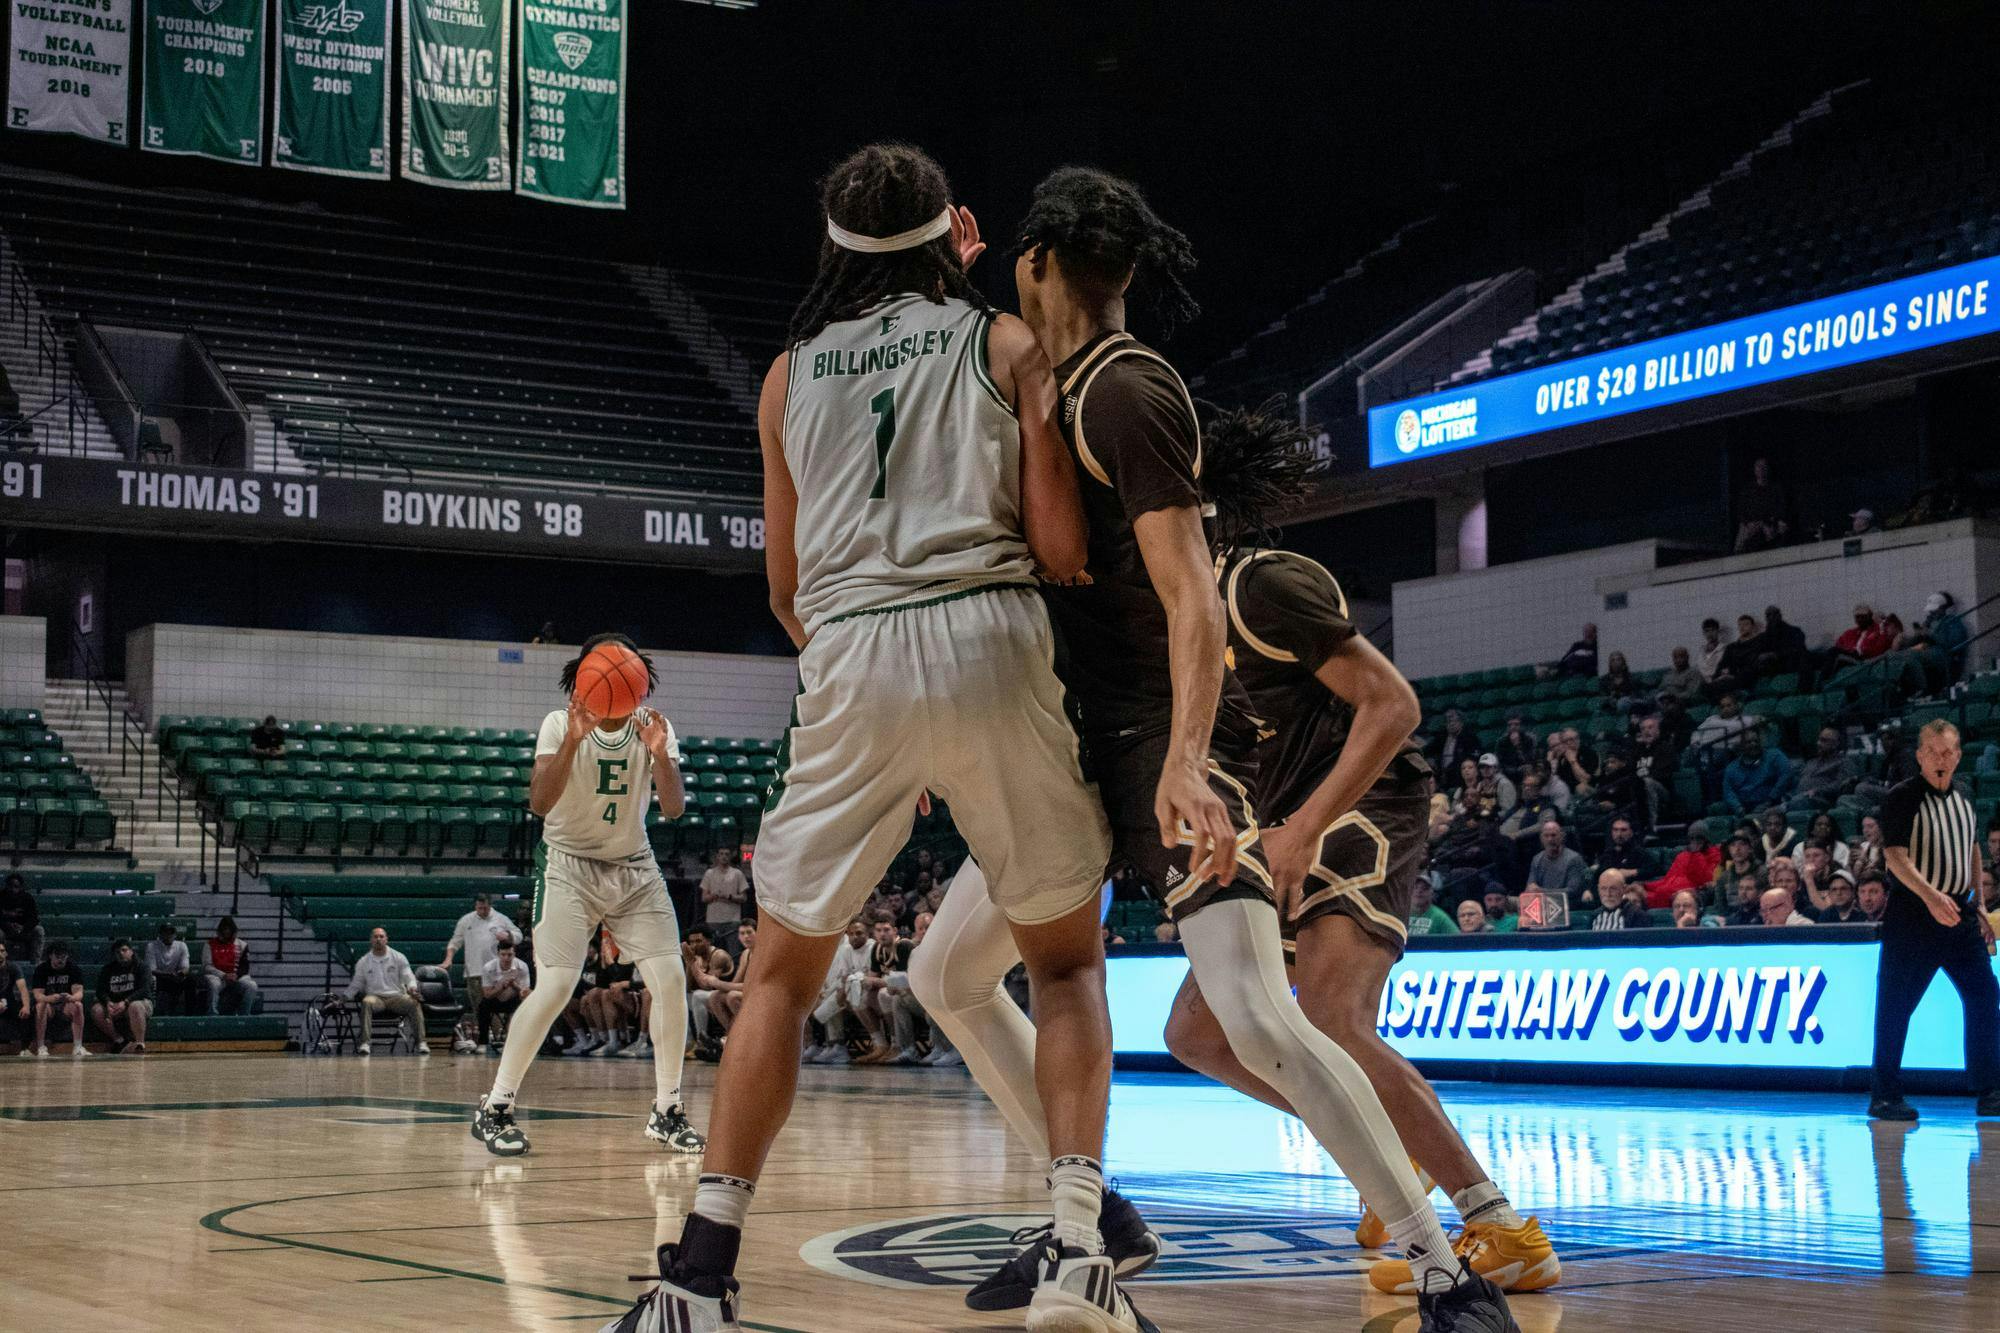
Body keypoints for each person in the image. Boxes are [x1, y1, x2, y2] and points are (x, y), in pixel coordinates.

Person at [906, 165, 1514, 1328]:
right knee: (945, 974)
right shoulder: (1063, 380)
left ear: (1040, 265)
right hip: (1067, 740)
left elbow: (1192, 599)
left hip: (1153, 742)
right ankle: (1096, 1216)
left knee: (1255, 1014)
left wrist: (1188, 759)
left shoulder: (1124, 389)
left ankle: (1445, 1268)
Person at [614, 147, 1150, 1333]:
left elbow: (786, 586)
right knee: (1061, 965)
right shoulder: (1003, 342)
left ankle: (698, 1273)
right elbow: (1060, 547)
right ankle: (1075, 1246)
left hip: (851, 651)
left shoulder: (786, 374)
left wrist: (880, 724)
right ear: (947, 232)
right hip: (992, 633)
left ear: (833, 246)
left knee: (777, 980)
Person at [472, 633, 703, 1161]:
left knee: (669, 978)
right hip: (568, 865)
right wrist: (575, 740)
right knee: (555, 984)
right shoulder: (559, 724)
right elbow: (538, 801)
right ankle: (497, 1107)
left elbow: (672, 808)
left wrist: (662, 755)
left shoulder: (654, 728)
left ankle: (667, 1110)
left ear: (639, 681)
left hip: (633, 865)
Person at [1867, 720, 2000, 1122]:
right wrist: (1930, 895)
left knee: (1984, 995)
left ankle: (1990, 1089)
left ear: (1958, 755)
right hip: (1913, 915)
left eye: (1948, 753)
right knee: (1896, 1006)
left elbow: (1972, 848)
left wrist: (1977, 902)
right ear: (1920, 756)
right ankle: (1885, 1095)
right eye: (1933, 753)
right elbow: (1895, 856)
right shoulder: (1902, 797)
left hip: (1959, 912)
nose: (1941, 760)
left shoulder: (1965, 793)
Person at [441, 892, 517, 1036]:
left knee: (494, 1006)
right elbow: (455, 941)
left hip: (495, 972)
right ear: (475, 906)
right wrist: (448, 958)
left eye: (485, 908)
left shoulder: (501, 919)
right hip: (474, 971)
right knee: (478, 1007)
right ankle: (483, 1037)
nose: (482, 911)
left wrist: (508, 936)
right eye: (479, 908)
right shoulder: (466, 920)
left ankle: (497, 1036)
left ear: (490, 905)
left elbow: (517, 935)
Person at [343, 927, 428, 1055]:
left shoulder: (399, 957)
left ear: (386, 939)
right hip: (376, 998)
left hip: (396, 997)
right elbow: (356, 983)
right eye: (375, 937)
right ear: (371, 940)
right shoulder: (363, 961)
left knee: (414, 1003)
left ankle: (421, 1042)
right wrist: (343, 998)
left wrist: (412, 989)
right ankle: (365, 1043)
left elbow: (409, 977)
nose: (378, 939)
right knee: (366, 1002)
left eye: (381, 936)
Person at [91, 938, 153, 1054]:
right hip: (115, 1004)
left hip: (138, 1002)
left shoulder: (142, 967)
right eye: (117, 952)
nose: (121, 954)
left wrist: (126, 1001)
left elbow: (145, 989)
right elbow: (100, 991)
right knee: (96, 1010)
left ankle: (140, 1044)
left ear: (131, 951)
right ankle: (119, 1040)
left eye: (124, 950)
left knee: (135, 1006)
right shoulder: (108, 969)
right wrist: (107, 1002)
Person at [30, 939, 87, 1057]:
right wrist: (49, 998)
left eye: (64, 956)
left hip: (65, 1004)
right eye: (58, 956)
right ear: (51, 955)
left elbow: (79, 994)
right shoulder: (42, 969)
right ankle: (41, 1046)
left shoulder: (73, 968)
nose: (61, 959)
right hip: (49, 1004)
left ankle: (78, 1046)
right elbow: (37, 995)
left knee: (78, 1005)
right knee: (40, 1006)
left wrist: (71, 997)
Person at [477, 939, 531, 1054]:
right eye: (503, 955)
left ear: (514, 954)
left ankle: (513, 1043)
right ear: (498, 954)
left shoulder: (522, 967)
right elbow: (487, 994)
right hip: (495, 998)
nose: (506, 958)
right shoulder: (488, 968)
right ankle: (483, 1042)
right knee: (483, 1006)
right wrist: (501, 986)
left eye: (510, 955)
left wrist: (514, 985)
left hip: (513, 999)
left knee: (523, 1006)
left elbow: (526, 993)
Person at [1646, 824, 1720, 907]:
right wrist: (1645, 886)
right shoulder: (1682, 855)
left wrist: (1696, 854)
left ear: (1706, 840)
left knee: (1662, 892)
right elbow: (1667, 879)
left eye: (1699, 838)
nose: (1695, 841)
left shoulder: (1715, 856)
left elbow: (1705, 879)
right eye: (1692, 838)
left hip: (1692, 892)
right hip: (1667, 890)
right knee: (1636, 894)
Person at [1722, 730, 1795, 814]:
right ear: (1742, 746)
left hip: (1772, 802)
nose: (1753, 744)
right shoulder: (1732, 768)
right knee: (1716, 808)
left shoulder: (1775, 756)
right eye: (1748, 742)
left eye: (1756, 741)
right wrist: (1738, 807)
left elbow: (1786, 774)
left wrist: (1769, 801)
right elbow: (1728, 792)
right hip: (1742, 806)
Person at [203, 916, 260, 1015]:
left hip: (236, 977)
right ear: (220, 930)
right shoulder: (209, 944)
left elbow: (245, 966)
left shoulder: (242, 945)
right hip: (218, 977)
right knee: (213, 983)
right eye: (225, 929)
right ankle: (212, 1014)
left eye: (229, 929)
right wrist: (223, 975)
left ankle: (244, 1014)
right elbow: (207, 966)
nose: (227, 932)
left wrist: (236, 975)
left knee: (252, 986)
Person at [700, 848, 750, 959]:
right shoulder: (709, 873)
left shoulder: (737, 873)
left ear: (730, 856)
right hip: (713, 920)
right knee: (712, 954)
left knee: (734, 953)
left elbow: (744, 897)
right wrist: (714, 896)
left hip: (732, 920)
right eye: (721, 854)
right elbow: (704, 898)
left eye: (727, 854)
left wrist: (730, 897)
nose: (724, 857)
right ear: (717, 856)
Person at [1525, 820, 1590, 901]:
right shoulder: (1537, 859)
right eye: (1546, 836)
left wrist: (1542, 892)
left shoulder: (1574, 859)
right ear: (1541, 838)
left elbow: (1573, 891)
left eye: (1553, 835)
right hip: (1542, 905)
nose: (1550, 839)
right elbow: (1531, 886)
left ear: (1561, 836)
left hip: (1568, 907)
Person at [1795, 729, 1857, 808]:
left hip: (1821, 800)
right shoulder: (1811, 762)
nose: (1818, 743)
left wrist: (1817, 791)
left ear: (1836, 744)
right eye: (1819, 740)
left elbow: (1841, 785)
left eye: (1824, 740)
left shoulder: (1844, 762)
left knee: (1796, 804)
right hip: (1798, 797)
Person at [145, 921, 191, 1016]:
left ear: (175, 935)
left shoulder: (182, 945)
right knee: (151, 980)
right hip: (159, 977)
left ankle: (190, 1013)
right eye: (166, 933)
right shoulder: (151, 946)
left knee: (190, 981)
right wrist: (170, 974)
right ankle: (154, 1011)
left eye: (171, 933)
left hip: (176, 977)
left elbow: (185, 967)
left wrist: (181, 973)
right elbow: (151, 969)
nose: (169, 935)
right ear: (160, 934)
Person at [0, 871, 42, 963]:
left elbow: (34, 918)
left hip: (23, 930)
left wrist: (23, 927)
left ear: (20, 887)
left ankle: (36, 962)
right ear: (6, 886)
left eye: (16, 886)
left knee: (39, 930)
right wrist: (8, 925)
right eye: (10, 886)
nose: (12, 889)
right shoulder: (1, 897)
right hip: (5, 929)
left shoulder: (27, 898)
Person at [0, 939, 27, 1052]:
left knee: (25, 1011)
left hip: (8, 1001)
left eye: (2, 951)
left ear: (6, 953)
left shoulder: (13, 967)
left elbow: (23, 989)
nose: (0, 954)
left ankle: (25, 1048)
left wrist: (26, 1006)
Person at [1695, 618, 1727, 682]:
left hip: (1717, 682)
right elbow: (1698, 669)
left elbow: (1723, 671)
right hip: (1701, 684)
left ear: (1718, 631)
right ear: (1704, 633)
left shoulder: (1725, 649)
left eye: (1713, 630)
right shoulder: (1701, 651)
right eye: (1707, 631)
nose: (1710, 634)